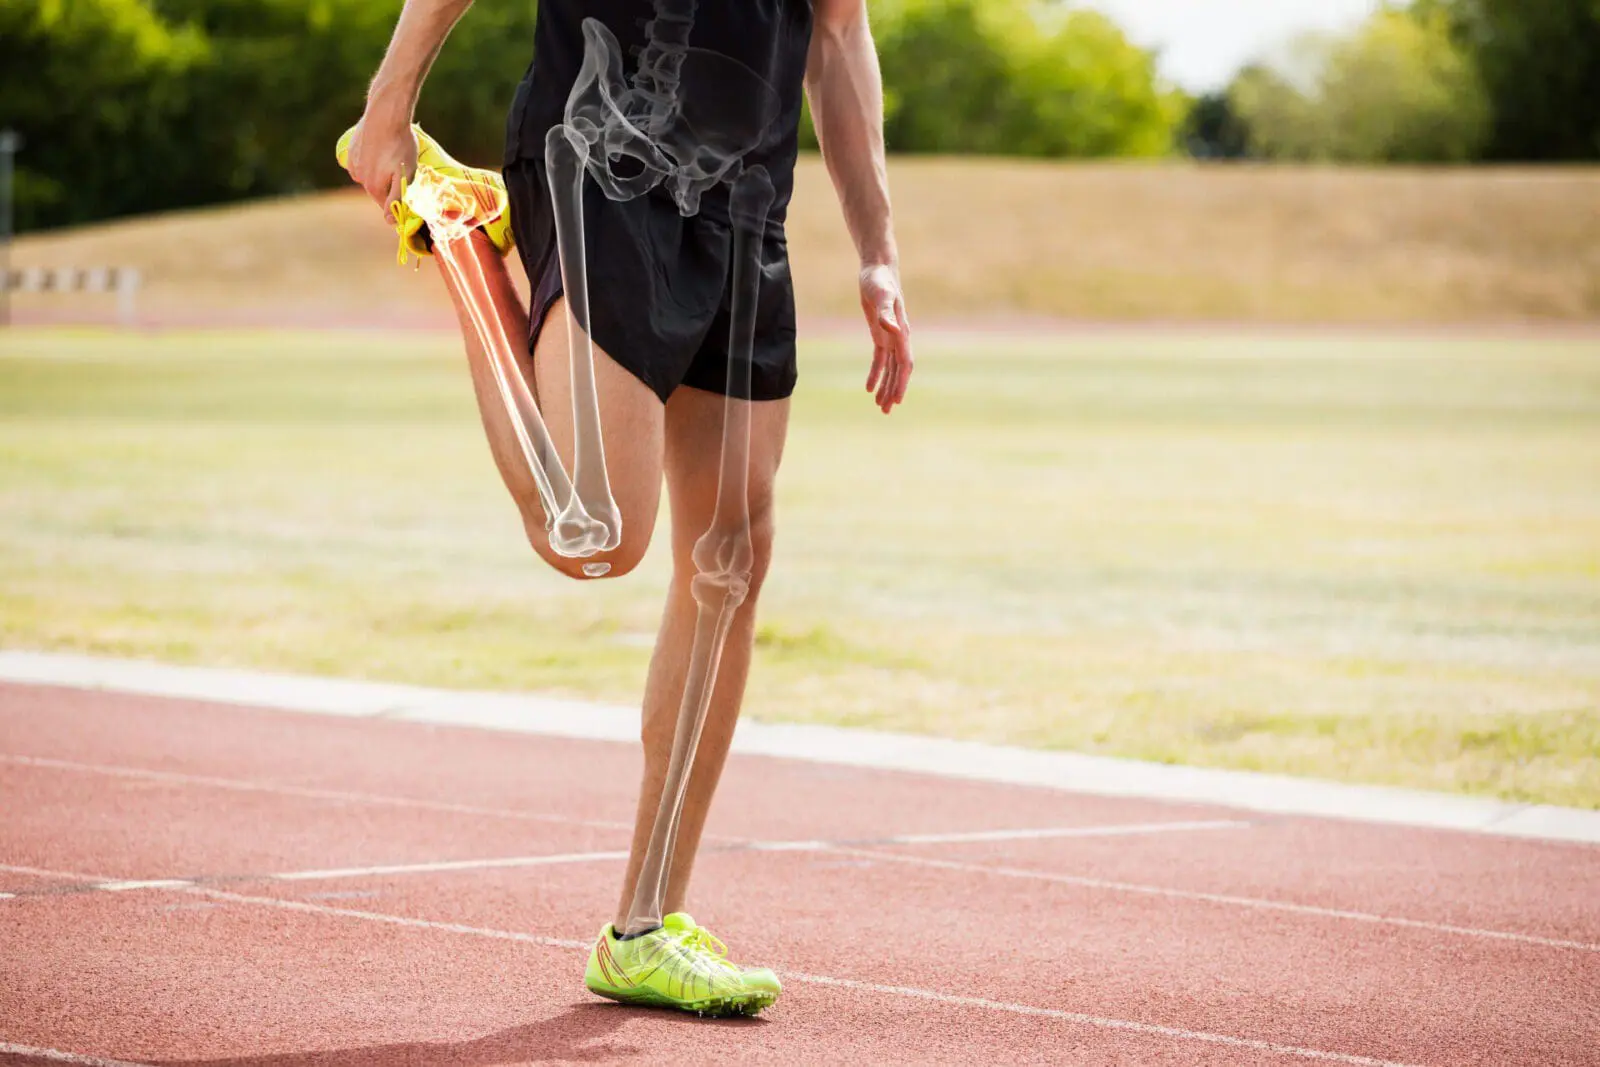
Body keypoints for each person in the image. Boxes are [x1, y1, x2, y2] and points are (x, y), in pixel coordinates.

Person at [341, 0, 912, 1017]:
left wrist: (878, 250)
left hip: (745, 200)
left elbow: (837, 33)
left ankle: (644, 925)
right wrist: (390, 105)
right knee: (592, 531)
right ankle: (461, 236)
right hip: (598, 159)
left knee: (728, 559)